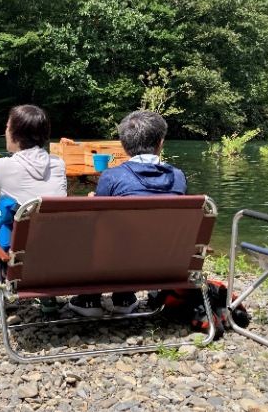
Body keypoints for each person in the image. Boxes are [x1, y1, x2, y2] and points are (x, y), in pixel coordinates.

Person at [67, 110, 187, 317]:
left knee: (93, 227)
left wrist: (92, 202)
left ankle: (89, 299)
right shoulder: (178, 177)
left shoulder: (112, 176)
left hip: (116, 263)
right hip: (166, 262)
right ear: (161, 143)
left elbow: (98, 224)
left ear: (124, 145)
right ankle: (124, 296)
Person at [0, 104, 68, 317]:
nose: (5, 131)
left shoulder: (5, 167)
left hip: (17, 262)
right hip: (57, 258)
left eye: (7, 127)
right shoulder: (58, 164)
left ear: (15, 134)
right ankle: (47, 296)